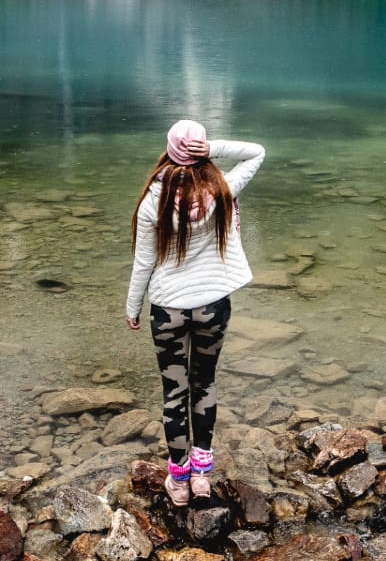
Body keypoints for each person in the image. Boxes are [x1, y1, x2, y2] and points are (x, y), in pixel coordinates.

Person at [124, 119, 266, 506]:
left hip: (168, 311)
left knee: (175, 393)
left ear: (170, 150)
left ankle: (179, 480)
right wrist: (211, 148)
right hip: (212, 309)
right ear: (201, 151)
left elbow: (143, 261)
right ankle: (202, 477)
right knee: (204, 385)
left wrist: (132, 306)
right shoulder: (220, 190)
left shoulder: (156, 197)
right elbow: (256, 152)